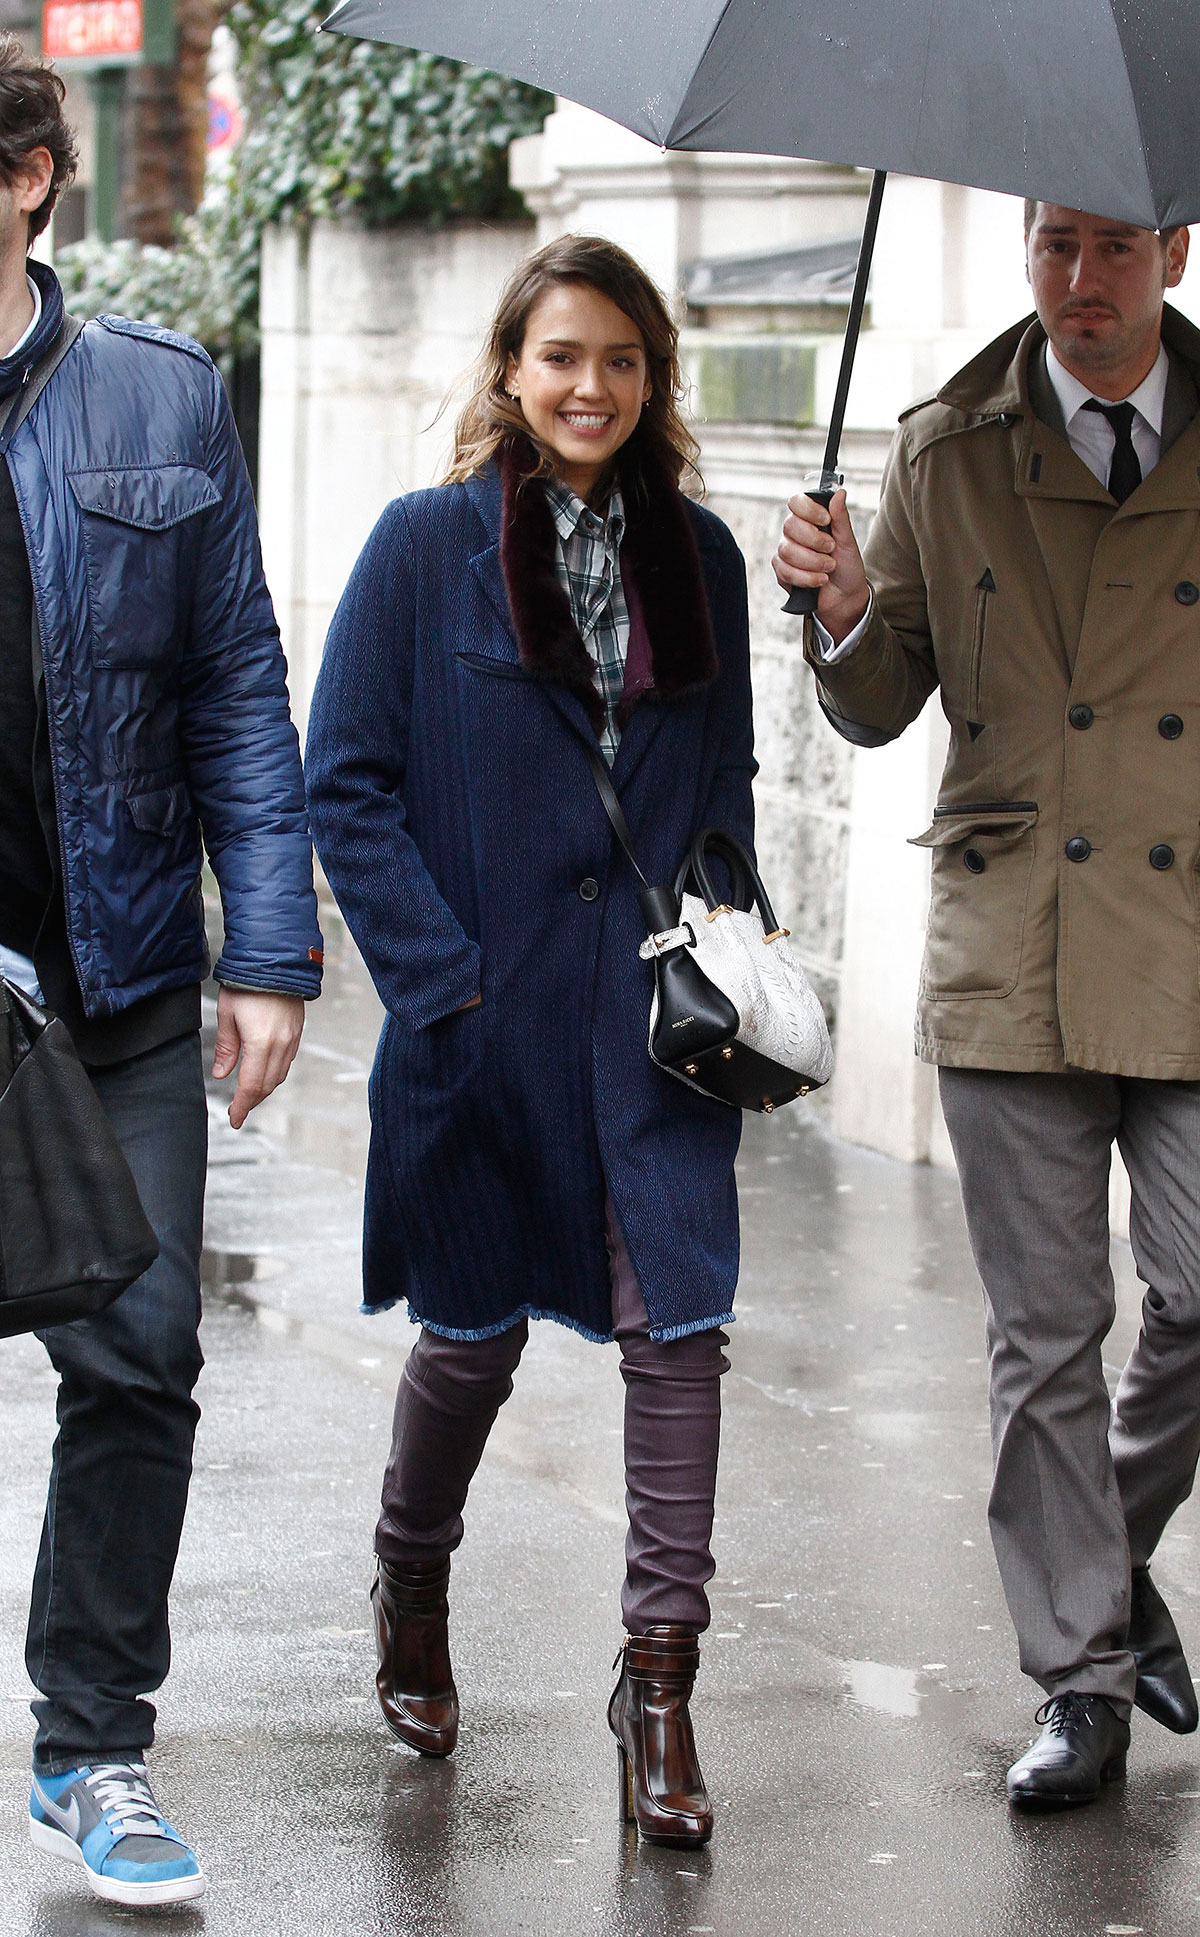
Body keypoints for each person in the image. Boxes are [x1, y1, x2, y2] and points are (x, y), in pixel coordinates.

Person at [305, 233, 756, 1848]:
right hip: (481, 1028)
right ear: (512, 369)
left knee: (680, 1330)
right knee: (471, 1338)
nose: (591, 387)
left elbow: (724, 797)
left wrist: (726, 943)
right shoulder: (426, 548)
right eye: (563, 357)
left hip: (648, 1032)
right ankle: (412, 1569)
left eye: (623, 362)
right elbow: (342, 781)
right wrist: (443, 981)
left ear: (653, 382)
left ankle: (660, 1684)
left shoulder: (700, 559)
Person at [773, 199, 1200, 1807]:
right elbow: (883, 704)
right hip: (1017, 926)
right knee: (1048, 1336)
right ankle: (1079, 1679)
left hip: (1191, 927)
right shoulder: (947, 446)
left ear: (1174, 247)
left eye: (1109, 250)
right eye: (1052, 249)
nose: (1077, 285)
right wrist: (838, 611)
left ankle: (1109, 1549)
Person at [0, 41, 322, 1904]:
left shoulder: (159, 400)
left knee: (136, 1359)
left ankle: (92, 1745)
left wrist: (265, 946)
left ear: (32, 173)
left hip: (110, 980)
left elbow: (235, 688)